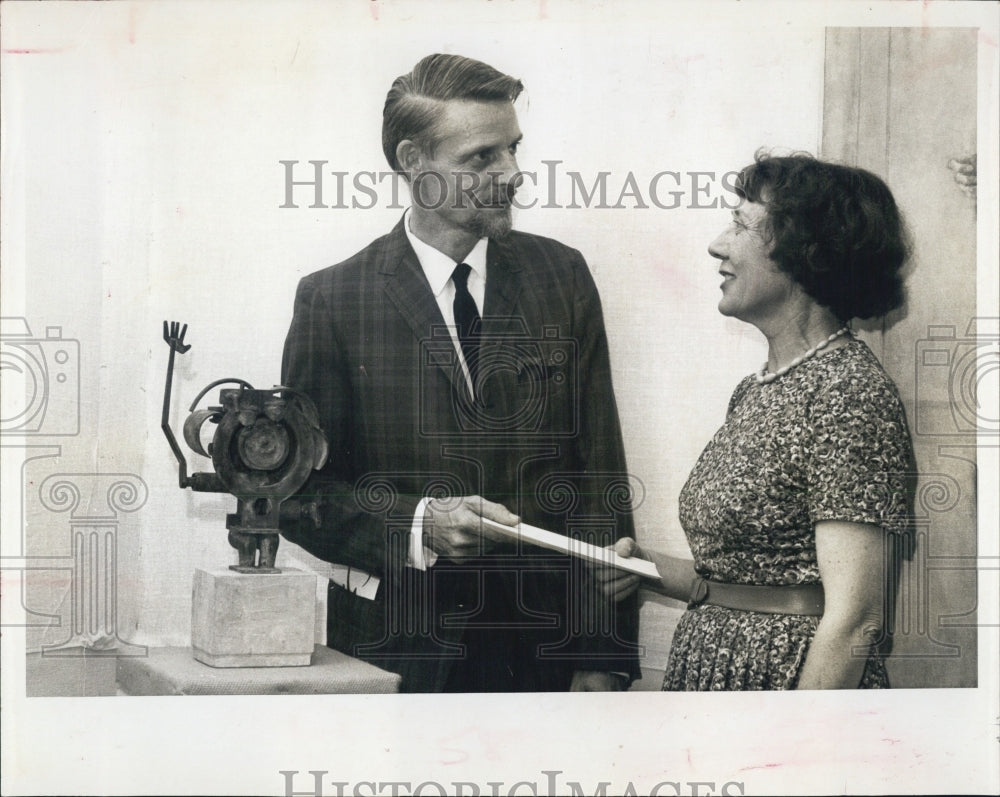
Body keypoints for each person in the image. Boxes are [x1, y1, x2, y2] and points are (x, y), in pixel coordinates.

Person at [279, 54, 639, 692]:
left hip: (547, 657)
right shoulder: (335, 300)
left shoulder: (562, 277)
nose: (513, 175)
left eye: (513, 149)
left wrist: (602, 653)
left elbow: (600, 472)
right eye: (482, 158)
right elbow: (301, 496)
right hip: (396, 657)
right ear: (414, 160)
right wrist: (420, 524)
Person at [595, 152, 914, 690]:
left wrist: (794, 749)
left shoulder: (849, 391)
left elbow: (856, 619)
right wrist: (648, 567)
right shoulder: (759, 387)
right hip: (714, 669)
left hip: (786, 685)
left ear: (805, 252)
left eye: (740, 225)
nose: (718, 245)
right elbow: (748, 577)